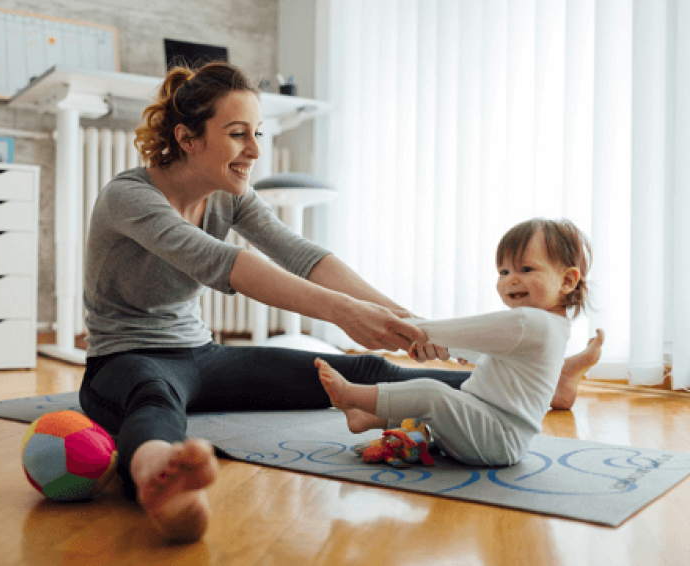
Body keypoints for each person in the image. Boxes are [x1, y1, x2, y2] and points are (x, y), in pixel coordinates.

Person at [78, 62, 603, 543]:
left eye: (255, 134)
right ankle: (163, 483)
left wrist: (405, 321)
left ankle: (542, 381)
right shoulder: (129, 197)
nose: (254, 151)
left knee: (368, 371)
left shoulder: (229, 194)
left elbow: (302, 255)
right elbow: (232, 265)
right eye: (238, 135)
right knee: (154, 404)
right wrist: (345, 313)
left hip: (201, 354)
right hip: (126, 359)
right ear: (187, 138)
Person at [316, 218, 599, 467]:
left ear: (567, 281)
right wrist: (447, 349)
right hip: (485, 427)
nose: (511, 280)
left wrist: (404, 328)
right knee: (442, 403)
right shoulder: (548, 326)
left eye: (525, 269)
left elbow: (460, 331)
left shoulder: (531, 323)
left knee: (431, 394)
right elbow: (484, 348)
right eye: (503, 272)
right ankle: (365, 416)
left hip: (499, 439)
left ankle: (351, 396)